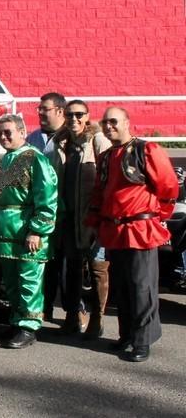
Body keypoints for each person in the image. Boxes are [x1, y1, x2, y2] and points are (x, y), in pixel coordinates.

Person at [86, 107, 179, 362]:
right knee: (122, 288)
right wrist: (94, 223)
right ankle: (127, 335)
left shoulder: (147, 150)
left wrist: (157, 214)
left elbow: (168, 186)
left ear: (127, 122)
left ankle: (143, 340)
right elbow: (98, 193)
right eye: (105, 122)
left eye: (114, 121)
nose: (109, 126)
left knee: (142, 287)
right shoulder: (105, 157)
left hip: (140, 231)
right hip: (114, 231)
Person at [0, 115, 58, 349]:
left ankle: (29, 326)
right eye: (0, 133)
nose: (4, 136)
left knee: (29, 280)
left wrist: (38, 230)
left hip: (27, 232)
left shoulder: (36, 160)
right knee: (11, 282)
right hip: (4, 233)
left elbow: (47, 198)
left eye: (8, 131)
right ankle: (16, 321)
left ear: (22, 131)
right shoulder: (0, 164)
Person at [48, 100, 111, 337]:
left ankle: (97, 318)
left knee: (98, 269)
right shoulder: (60, 144)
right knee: (72, 268)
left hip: (94, 218)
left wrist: (102, 217)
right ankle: (73, 316)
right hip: (69, 219)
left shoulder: (98, 141)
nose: (74, 119)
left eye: (79, 114)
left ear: (87, 117)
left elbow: (108, 180)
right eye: (69, 114)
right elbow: (53, 182)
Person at [30, 92, 68, 320]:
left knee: (67, 263)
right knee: (45, 262)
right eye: (40, 108)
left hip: (65, 211)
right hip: (40, 212)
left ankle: (77, 310)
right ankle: (45, 308)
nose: (41, 113)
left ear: (60, 111)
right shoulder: (34, 138)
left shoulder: (71, 136)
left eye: (46, 109)